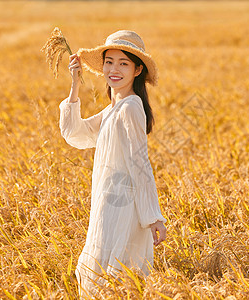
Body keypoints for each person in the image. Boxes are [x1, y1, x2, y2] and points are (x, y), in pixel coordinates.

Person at [58, 30, 167, 297]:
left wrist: (153, 217)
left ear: (137, 69)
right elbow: (76, 134)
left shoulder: (130, 107)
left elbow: (141, 164)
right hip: (107, 201)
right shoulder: (114, 108)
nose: (114, 69)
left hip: (124, 205)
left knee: (113, 274)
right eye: (109, 62)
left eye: (123, 63)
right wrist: (75, 83)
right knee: (105, 273)